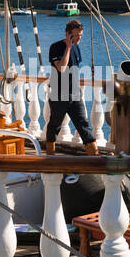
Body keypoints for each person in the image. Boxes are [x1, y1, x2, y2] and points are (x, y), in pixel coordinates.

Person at [45, 19, 98, 155]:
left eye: (81, 35)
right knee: (54, 126)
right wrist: (68, 47)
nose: (79, 38)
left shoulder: (77, 47)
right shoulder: (55, 47)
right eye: (76, 35)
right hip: (59, 94)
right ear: (68, 34)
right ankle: (49, 159)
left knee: (84, 126)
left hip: (75, 93)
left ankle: (95, 158)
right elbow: (62, 68)